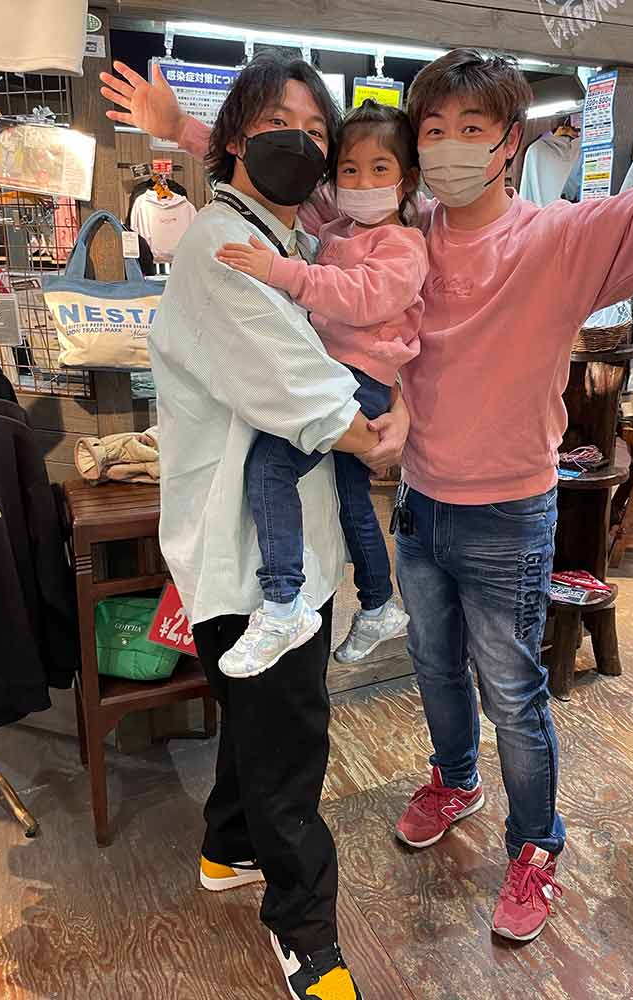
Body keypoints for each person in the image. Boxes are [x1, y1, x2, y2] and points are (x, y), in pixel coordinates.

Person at [102, 48, 633, 947]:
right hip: (418, 504)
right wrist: (182, 131)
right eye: (435, 129)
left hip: (509, 514)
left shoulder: (561, 241)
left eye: (473, 129)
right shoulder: (401, 224)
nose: (451, 145)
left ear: (509, 142)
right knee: (433, 668)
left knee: (514, 692)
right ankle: (455, 780)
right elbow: (296, 181)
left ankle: (536, 845)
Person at [103, 52, 415, 1000]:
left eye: (319, 133)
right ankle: (306, 933)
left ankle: (226, 849)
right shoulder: (221, 245)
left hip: (281, 545)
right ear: (239, 136)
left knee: (259, 719)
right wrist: (385, 431)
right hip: (247, 553)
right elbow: (305, 392)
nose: (305, 146)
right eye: (284, 124)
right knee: (291, 743)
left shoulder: (287, 237)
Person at [216, 99, 425, 678]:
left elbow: (363, 298)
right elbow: (269, 181)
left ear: (406, 179)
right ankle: (378, 606)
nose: (363, 182)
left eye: (380, 169)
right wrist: (179, 131)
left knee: (270, 468)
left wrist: (281, 272)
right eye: (349, 170)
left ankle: (283, 602)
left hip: (361, 380)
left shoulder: (404, 244)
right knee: (352, 498)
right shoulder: (336, 228)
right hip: (341, 374)